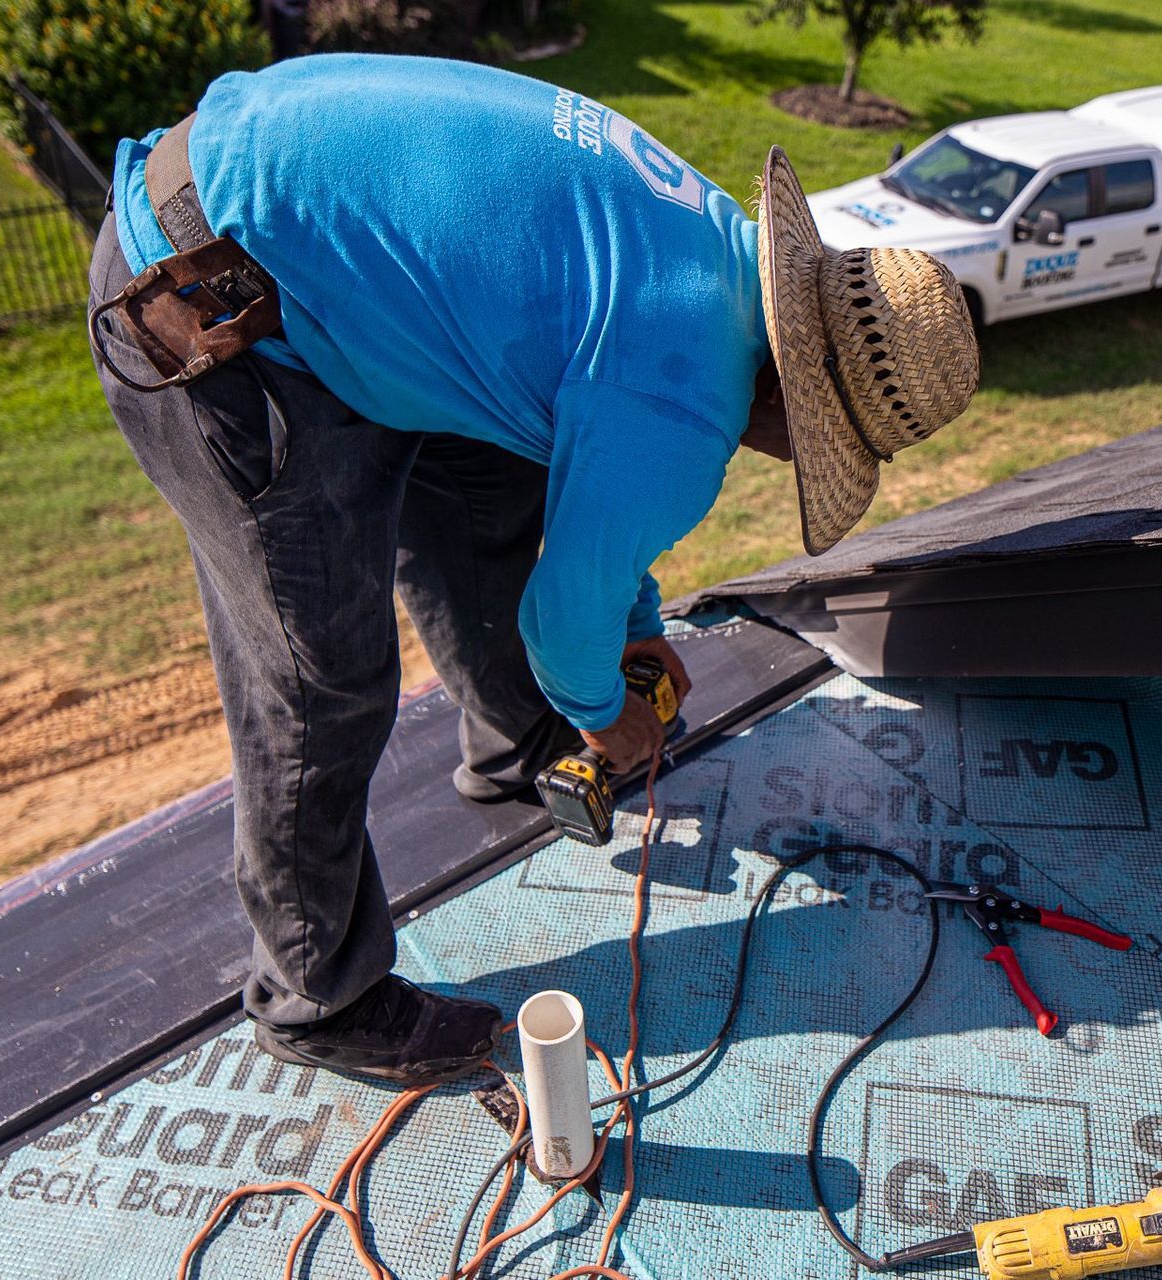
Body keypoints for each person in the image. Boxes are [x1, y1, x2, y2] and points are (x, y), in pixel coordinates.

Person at [87, 53, 979, 1085]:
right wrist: (607, 709)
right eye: (813, 443)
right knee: (317, 675)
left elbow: (595, 495)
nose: (780, 454)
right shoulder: (687, 403)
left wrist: (632, 625)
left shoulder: (704, 257)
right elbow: (568, 620)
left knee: (489, 484)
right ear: (801, 401)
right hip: (206, 295)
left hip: (275, 219)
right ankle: (317, 996)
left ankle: (520, 742)